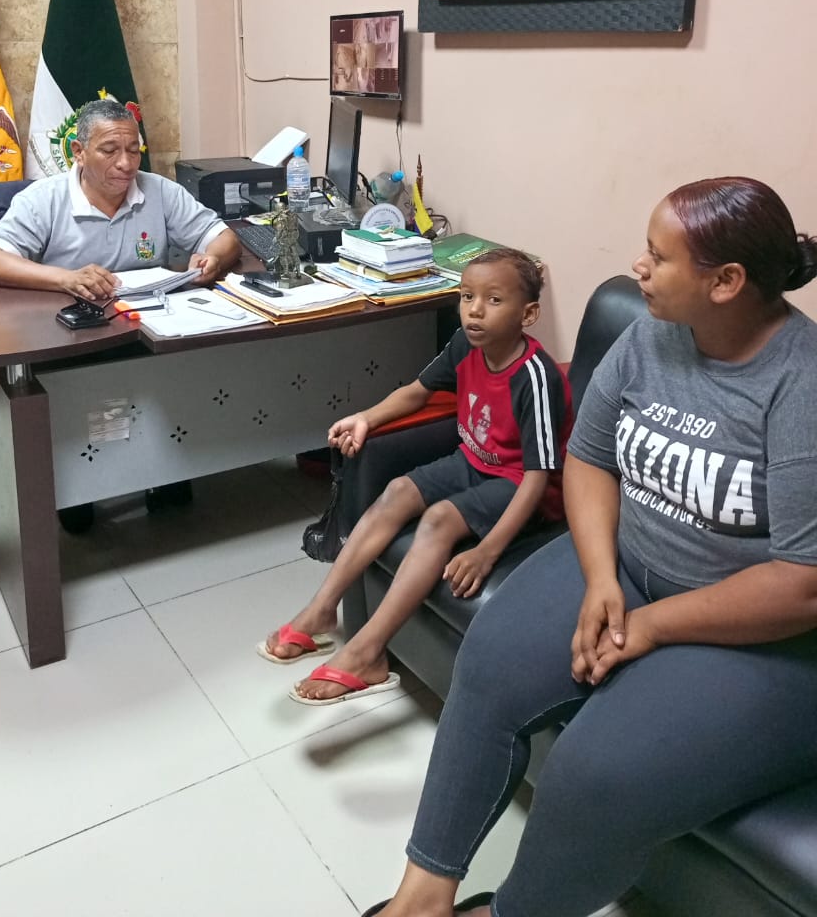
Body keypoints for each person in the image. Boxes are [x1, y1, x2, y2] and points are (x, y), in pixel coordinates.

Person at [366, 177, 817, 917]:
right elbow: (588, 458)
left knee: (593, 769)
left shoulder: (801, 384)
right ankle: (421, 898)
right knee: (490, 667)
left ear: (727, 281)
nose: (639, 268)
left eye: (658, 257)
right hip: (629, 565)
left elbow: (801, 584)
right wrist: (603, 579)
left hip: (756, 631)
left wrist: (650, 625)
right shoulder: (651, 336)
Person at [259, 247, 573, 704]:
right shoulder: (466, 345)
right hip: (473, 461)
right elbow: (417, 392)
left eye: (493, 300)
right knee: (397, 491)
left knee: (438, 519)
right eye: (467, 296)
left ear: (528, 314)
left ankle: (368, 653)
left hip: (521, 486)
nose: (475, 310)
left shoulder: (536, 377)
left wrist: (487, 551)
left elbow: (538, 478)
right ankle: (321, 611)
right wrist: (365, 418)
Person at [0, 98, 241, 300]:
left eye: (133, 150)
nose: (126, 164)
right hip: (68, 327)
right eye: (109, 151)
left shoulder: (160, 190)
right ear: (79, 152)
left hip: (147, 323)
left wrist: (213, 258)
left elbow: (224, 237)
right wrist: (66, 279)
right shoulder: (43, 198)